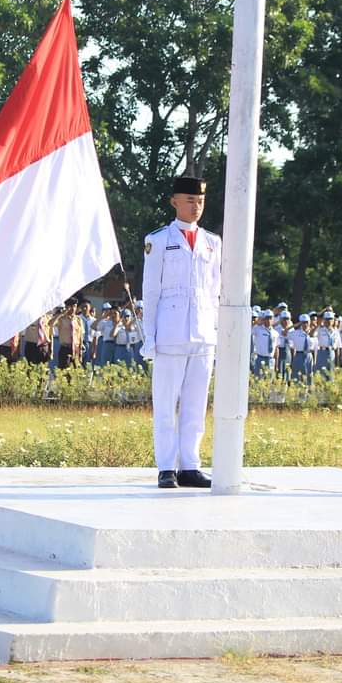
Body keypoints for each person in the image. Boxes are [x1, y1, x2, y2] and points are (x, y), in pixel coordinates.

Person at [141, 175, 220, 489]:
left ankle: (190, 465)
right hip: (170, 333)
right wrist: (149, 335)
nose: (195, 206)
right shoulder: (158, 239)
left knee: (195, 406)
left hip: (203, 334)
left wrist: (216, 330)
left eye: (200, 201)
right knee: (165, 404)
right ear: (174, 201)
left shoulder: (213, 242)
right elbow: (151, 291)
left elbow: (216, 290)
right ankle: (166, 467)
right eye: (189, 201)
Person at [251, 309, 278, 376]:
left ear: (273, 319)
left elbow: (276, 349)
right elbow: (249, 328)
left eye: (270, 318)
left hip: (271, 359)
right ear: (263, 319)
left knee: (269, 381)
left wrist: (276, 364)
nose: (268, 320)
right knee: (259, 379)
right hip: (260, 358)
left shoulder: (275, 333)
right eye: (266, 318)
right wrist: (258, 321)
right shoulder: (257, 329)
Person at [287, 314, 313, 384]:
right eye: (303, 322)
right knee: (297, 376)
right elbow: (284, 332)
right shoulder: (295, 333)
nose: (305, 324)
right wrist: (294, 325)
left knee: (309, 374)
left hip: (309, 354)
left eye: (306, 322)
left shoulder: (312, 332)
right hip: (299, 354)